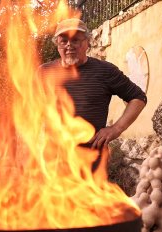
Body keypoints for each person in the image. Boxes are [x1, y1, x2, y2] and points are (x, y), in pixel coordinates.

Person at [38, 18, 147, 169]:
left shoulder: (105, 71)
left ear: (87, 43)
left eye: (75, 40)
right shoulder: (44, 72)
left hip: (92, 162)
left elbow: (138, 98)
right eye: (63, 41)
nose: (69, 45)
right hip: (53, 160)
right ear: (57, 45)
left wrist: (116, 128)